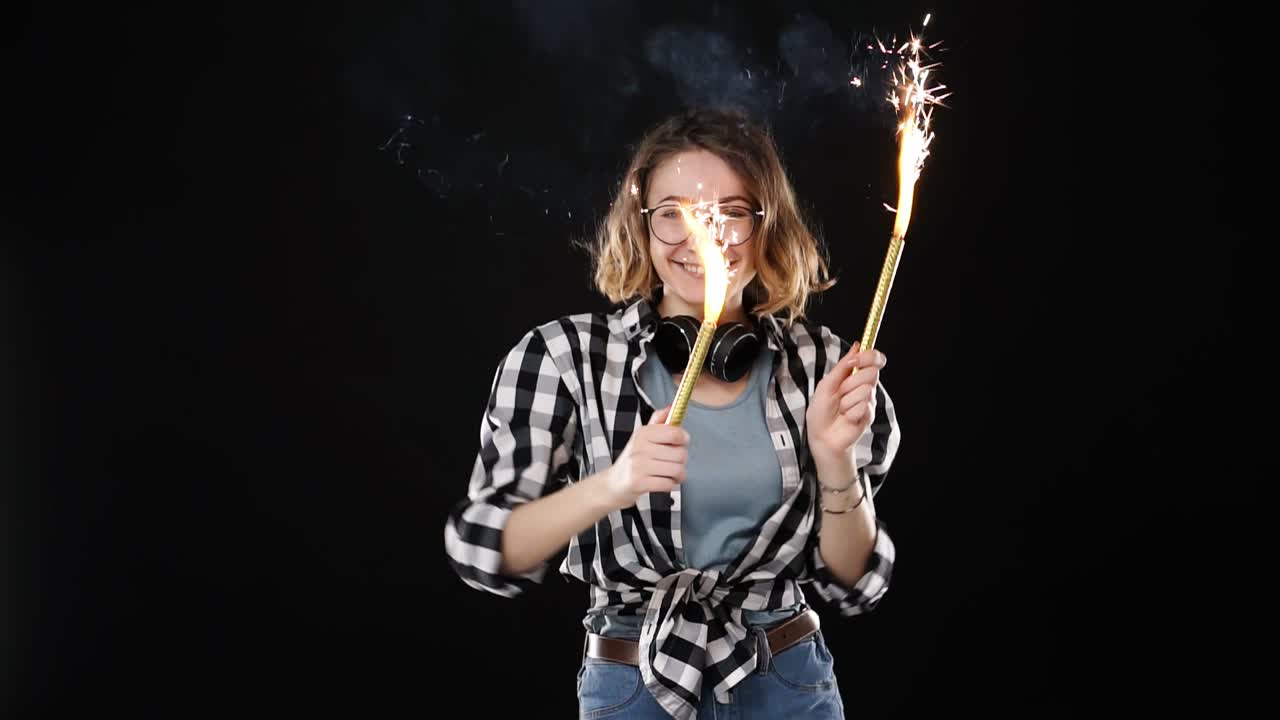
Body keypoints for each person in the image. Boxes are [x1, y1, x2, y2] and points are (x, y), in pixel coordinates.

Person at [444, 107, 902, 720]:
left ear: (766, 226)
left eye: (731, 214)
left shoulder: (825, 365)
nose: (702, 238)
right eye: (674, 215)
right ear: (643, 226)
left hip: (789, 682)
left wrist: (835, 458)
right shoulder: (564, 356)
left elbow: (855, 582)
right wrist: (614, 485)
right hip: (632, 685)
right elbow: (480, 549)